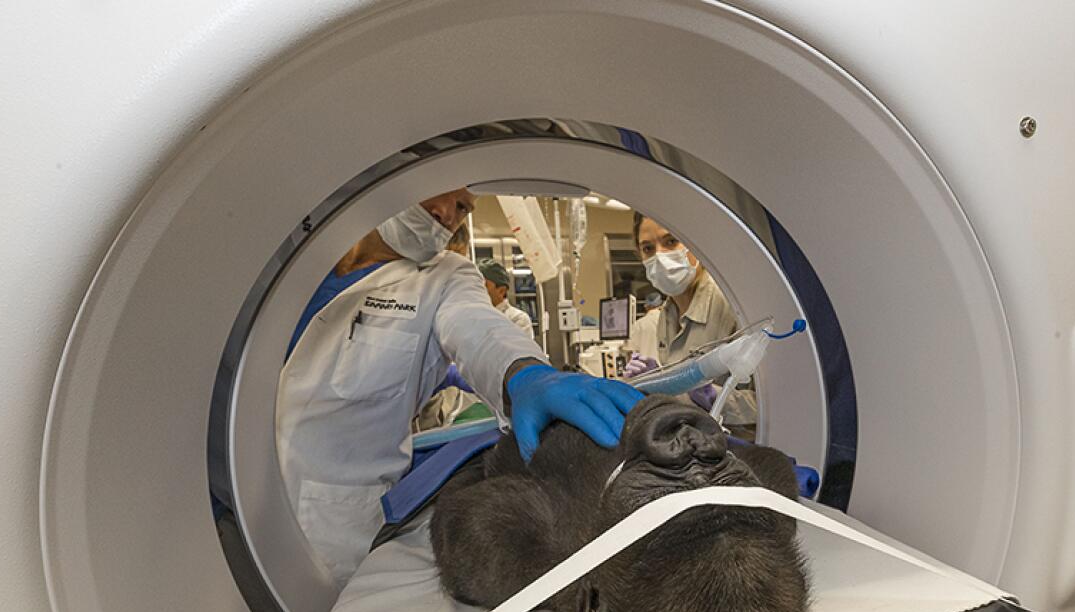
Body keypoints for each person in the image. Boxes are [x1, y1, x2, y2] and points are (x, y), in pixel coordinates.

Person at [277, 188, 642, 585]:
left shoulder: (446, 277)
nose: (445, 213)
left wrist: (525, 373)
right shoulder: (284, 254)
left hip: (330, 525)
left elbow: (476, 328)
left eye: (464, 207)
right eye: (435, 192)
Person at [624, 212, 756, 427]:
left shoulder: (733, 306)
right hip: (693, 442)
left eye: (671, 242)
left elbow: (772, 403)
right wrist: (657, 382)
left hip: (738, 448)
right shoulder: (666, 316)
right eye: (648, 248)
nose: (659, 256)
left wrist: (715, 398)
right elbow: (684, 398)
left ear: (695, 244)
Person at [477, 258, 535, 336]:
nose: (477, 289)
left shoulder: (518, 319)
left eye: (484, 285)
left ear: (501, 291)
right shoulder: (473, 316)